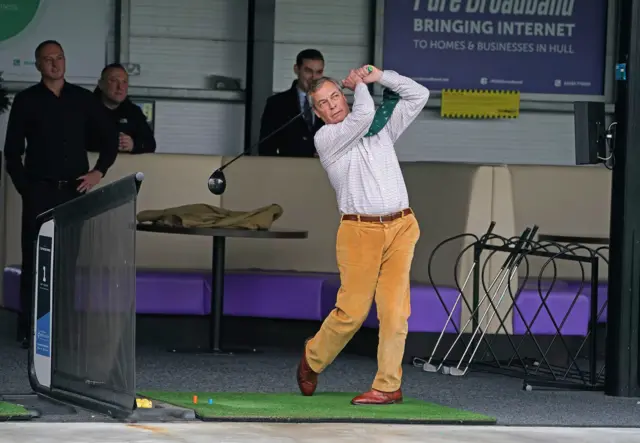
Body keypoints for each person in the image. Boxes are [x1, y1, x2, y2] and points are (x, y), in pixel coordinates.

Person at [296, 65, 430, 405]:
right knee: (352, 313)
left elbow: (420, 94)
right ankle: (313, 358)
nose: (332, 106)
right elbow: (364, 114)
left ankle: (388, 386)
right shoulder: (326, 138)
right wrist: (360, 87)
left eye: (335, 97)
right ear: (316, 112)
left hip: (401, 227)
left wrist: (380, 76)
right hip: (359, 231)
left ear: (342, 96)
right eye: (323, 104)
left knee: (395, 311)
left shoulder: (381, 130)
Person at [3, 40, 118, 349]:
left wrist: (99, 171)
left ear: (65, 61)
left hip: (73, 190)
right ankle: (30, 329)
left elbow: (109, 138)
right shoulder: (27, 101)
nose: (54, 64)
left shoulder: (82, 99)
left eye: (59, 58)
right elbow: (12, 152)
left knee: (68, 260)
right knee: (35, 260)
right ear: (38, 65)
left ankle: (62, 327)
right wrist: (26, 188)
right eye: (47, 59)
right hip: (39, 190)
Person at [258, 49, 325, 157]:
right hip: (287, 171)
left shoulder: (331, 104)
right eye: (308, 71)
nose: (313, 77)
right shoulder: (276, 104)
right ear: (296, 69)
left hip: (321, 172)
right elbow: (265, 148)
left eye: (318, 72)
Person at [93, 63, 156, 154]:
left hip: (124, 168)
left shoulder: (134, 112)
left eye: (124, 82)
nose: (120, 87)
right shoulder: (84, 109)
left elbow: (150, 144)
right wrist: (108, 142)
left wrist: (133, 145)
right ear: (101, 84)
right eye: (114, 80)